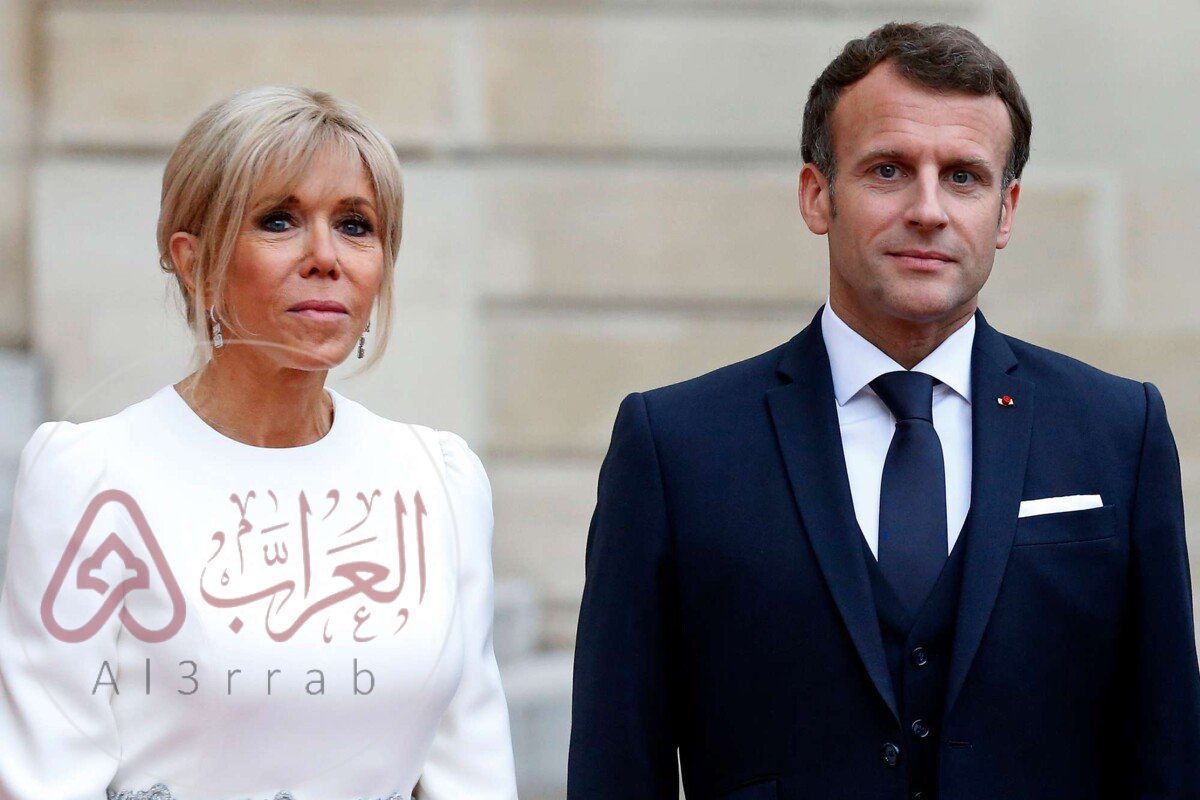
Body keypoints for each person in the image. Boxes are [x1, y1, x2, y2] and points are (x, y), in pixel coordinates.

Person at [568, 21, 1200, 799]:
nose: (928, 209)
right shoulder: (675, 447)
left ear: (1005, 211)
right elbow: (616, 763)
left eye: (963, 176)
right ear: (817, 195)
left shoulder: (1119, 431)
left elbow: (1167, 750)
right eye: (889, 170)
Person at [0, 87, 517, 800]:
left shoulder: (441, 481)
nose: (325, 256)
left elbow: (474, 774)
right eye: (279, 220)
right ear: (195, 263)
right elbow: (47, 779)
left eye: (356, 225)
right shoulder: (89, 476)